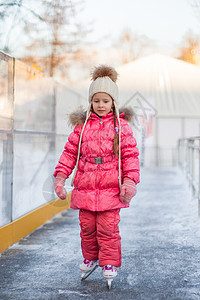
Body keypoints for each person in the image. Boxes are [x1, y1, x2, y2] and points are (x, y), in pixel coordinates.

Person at [53, 65, 140, 285]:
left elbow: (130, 155)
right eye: (96, 101)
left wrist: (129, 181)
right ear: (91, 101)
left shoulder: (121, 127)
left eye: (106, 101)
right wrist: (61, 177)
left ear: (114, 103)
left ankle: (108, 262)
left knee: (108, 228)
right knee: (87, 227)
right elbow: (70, 152)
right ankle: (91, 257)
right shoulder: (82, 127)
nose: (101, 105)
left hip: (111, 187)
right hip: (86, 185)